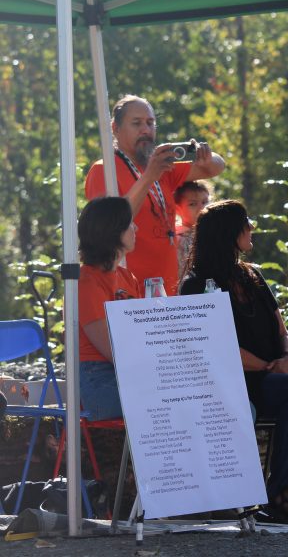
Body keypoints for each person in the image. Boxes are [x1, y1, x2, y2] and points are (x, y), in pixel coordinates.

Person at [180, 200, 288, 525]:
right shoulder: (196, 286)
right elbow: (213, 348)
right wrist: (266, 366)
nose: (252, 228)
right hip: (237, 384)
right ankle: (273, 493)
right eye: (246, 222)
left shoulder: (252, 276)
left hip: (275, 379)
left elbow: (280, 327)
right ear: (230, 232)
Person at [85, 95, 225, 295]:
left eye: (150, 123)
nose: (146, 129)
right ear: (115, 129)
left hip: (167, 288)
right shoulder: (104, 170)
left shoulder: (162, 165)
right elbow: (111, 225)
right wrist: (149, 176)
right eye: (137, 123)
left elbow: (217, 167)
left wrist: (204, 155)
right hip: (128, 292)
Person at [77, 197, 141, 421]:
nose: (136, 228)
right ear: (113, 231)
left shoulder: (126, 277)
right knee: (172, 400)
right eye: (130, 223)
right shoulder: (85, 281)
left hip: (128, 372)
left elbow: (144, 334)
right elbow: (112, 349)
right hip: (98, 380)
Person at [174, 180, 211, 281]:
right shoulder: (179, 239)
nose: (202, 208)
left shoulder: (214, 232)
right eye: (192, 204)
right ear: (177, 209)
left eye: (205, 202)